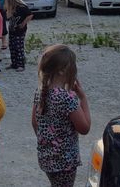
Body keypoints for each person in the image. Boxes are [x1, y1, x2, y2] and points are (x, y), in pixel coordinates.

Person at [32, 44, 91, 187]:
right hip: (65, 162)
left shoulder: (40, 92)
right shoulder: (67, 98)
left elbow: (35, 123)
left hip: (46, 158)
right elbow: (84, 128)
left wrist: (48, 142)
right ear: (62, 70)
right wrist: (83, 98)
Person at [4, 0, 33, 72]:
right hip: (12, 30)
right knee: (12, 46)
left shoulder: (22, 7)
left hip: (20, 31)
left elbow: (30, 15)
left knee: (18, 47)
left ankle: (21, 64)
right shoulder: (11, 8)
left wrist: (23, 23)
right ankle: (14, 63)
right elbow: (8, 17)